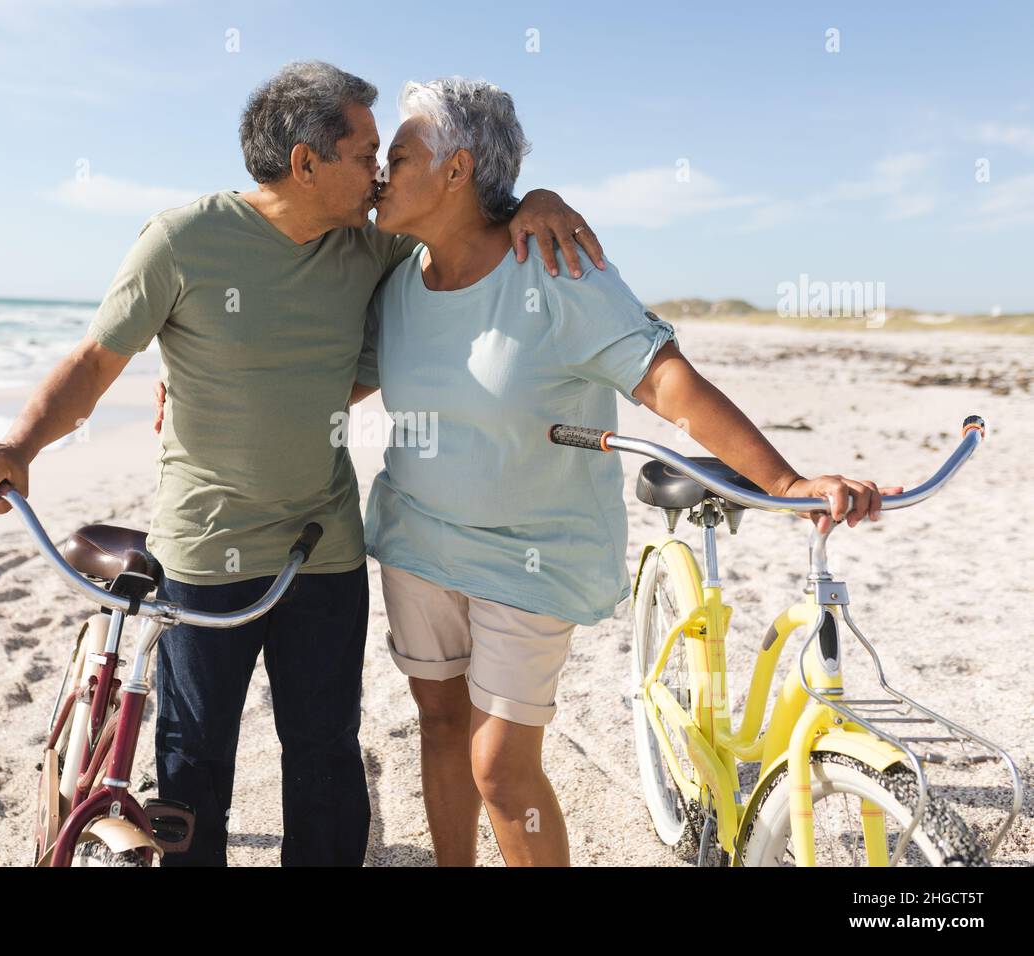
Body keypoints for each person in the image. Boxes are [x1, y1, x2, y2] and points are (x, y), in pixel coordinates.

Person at [0, 60, 605, 866]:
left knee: (325, 755)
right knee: (193, 769)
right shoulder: (181, 241)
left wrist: (539, 201)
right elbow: (93, 363)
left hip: (320, 552)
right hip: (203, 546)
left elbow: (466, 225)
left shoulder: (372, 245)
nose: (378, 173)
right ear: (306, 163)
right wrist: (18, 447)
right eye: (366, 154)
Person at [350, 76, 904, 866]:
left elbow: (663, 379)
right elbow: (338, 375)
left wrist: (784, 482)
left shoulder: (555, 267)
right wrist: (208, 385)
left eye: (397, 157)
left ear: (456, 170)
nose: (379, 176)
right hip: (416, 540)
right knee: (438, 726)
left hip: (529, 555)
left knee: (501, 770)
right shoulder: (400, 280)